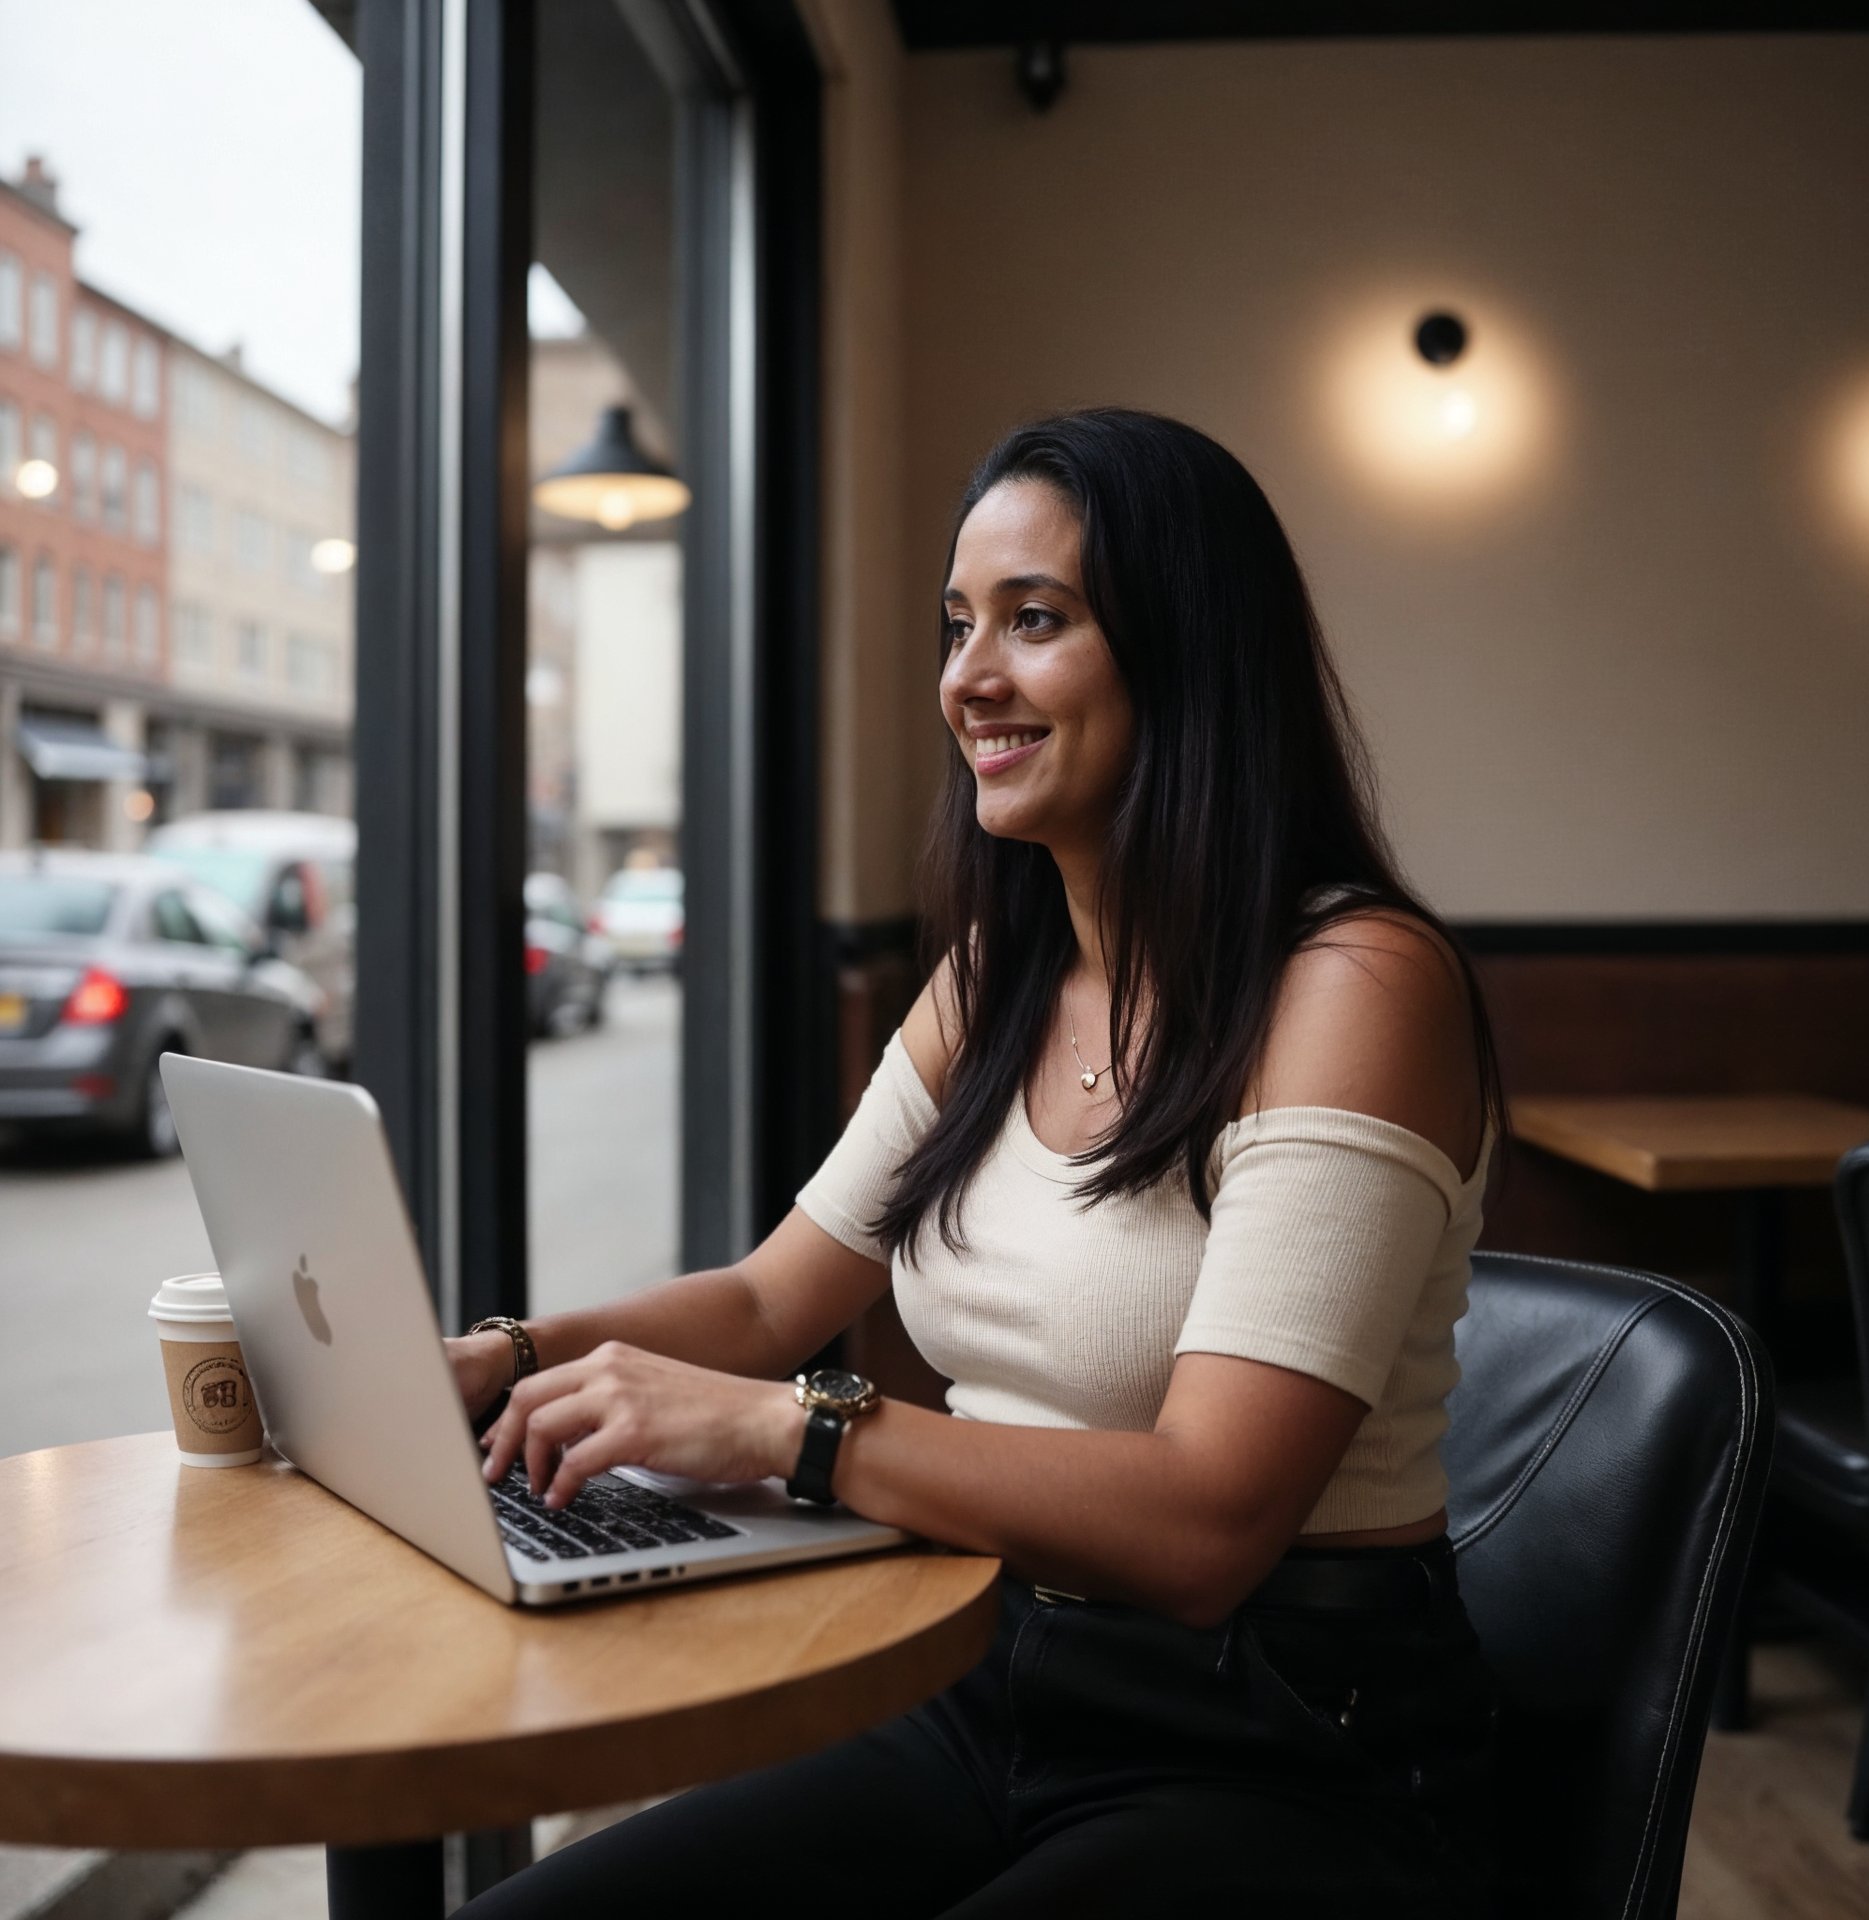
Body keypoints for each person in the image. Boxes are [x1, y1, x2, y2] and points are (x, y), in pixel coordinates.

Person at [453, 407, 1508, 1917]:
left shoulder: (1353, 989)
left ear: (1189, 656)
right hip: (982, 1669)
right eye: (959, 626)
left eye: (1038, 620)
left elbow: (1209, 1523)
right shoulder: (992, 980)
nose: (970, 679)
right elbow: (767, 1306)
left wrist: (785, 1433)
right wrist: (499, 1361)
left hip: (1286, 1739)